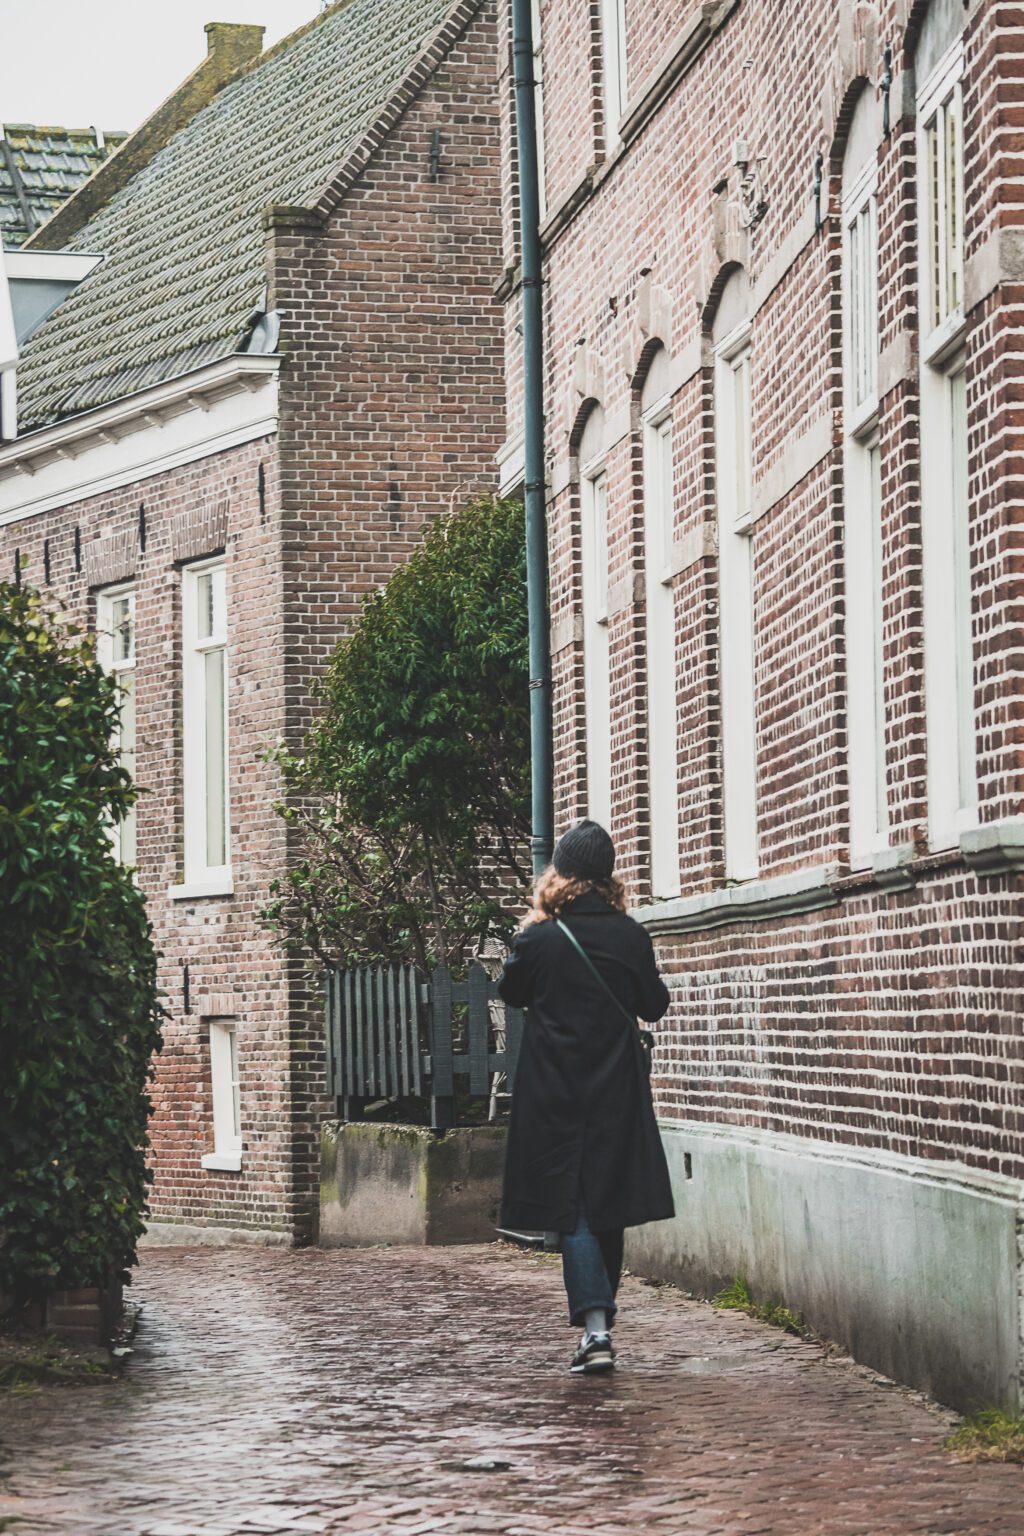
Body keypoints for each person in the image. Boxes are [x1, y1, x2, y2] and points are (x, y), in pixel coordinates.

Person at [497, 819, 675, 1374]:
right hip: (616, 1090)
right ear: (609, 876)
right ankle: (599, 1328)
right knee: (608, 1207)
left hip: (555, 1090)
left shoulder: (541, 938)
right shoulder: (631, 935)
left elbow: (510, 990)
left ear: (563, 873)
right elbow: (655, 1005)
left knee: (572, 1207)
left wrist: (533, 932)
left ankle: (596, 1332)